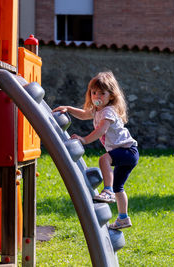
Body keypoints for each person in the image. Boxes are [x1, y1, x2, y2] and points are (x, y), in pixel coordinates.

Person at [53, 71, 139, 230]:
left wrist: (84, 140)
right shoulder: (98, 110)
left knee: (104, 159)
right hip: (129, 152)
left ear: (111, 96)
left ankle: (107, 191)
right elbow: (85, 114)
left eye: (101, 93)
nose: (96, 96)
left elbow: (101, 130)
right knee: (118, 187)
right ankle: (123, 218)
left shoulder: (108, 112)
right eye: (93, 92)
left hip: (127, 150)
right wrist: (69, 109)